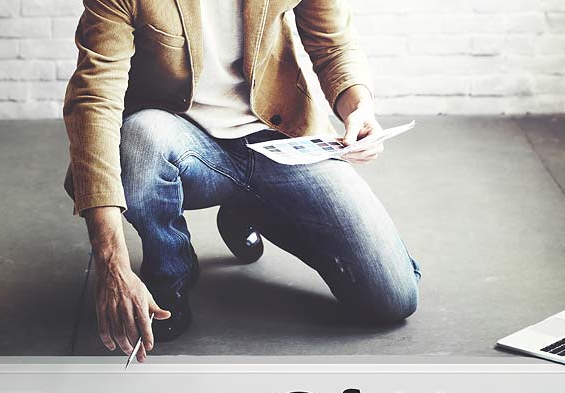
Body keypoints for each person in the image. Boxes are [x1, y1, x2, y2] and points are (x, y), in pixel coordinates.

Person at [63, 0, 420, 362]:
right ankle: (171, 272)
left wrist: (358, 107)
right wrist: (112, 263)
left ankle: (247, 208)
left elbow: (332, 43)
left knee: (394, 299)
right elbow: (95, 98)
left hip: (280, 137)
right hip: (183, 140)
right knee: (139, 140)